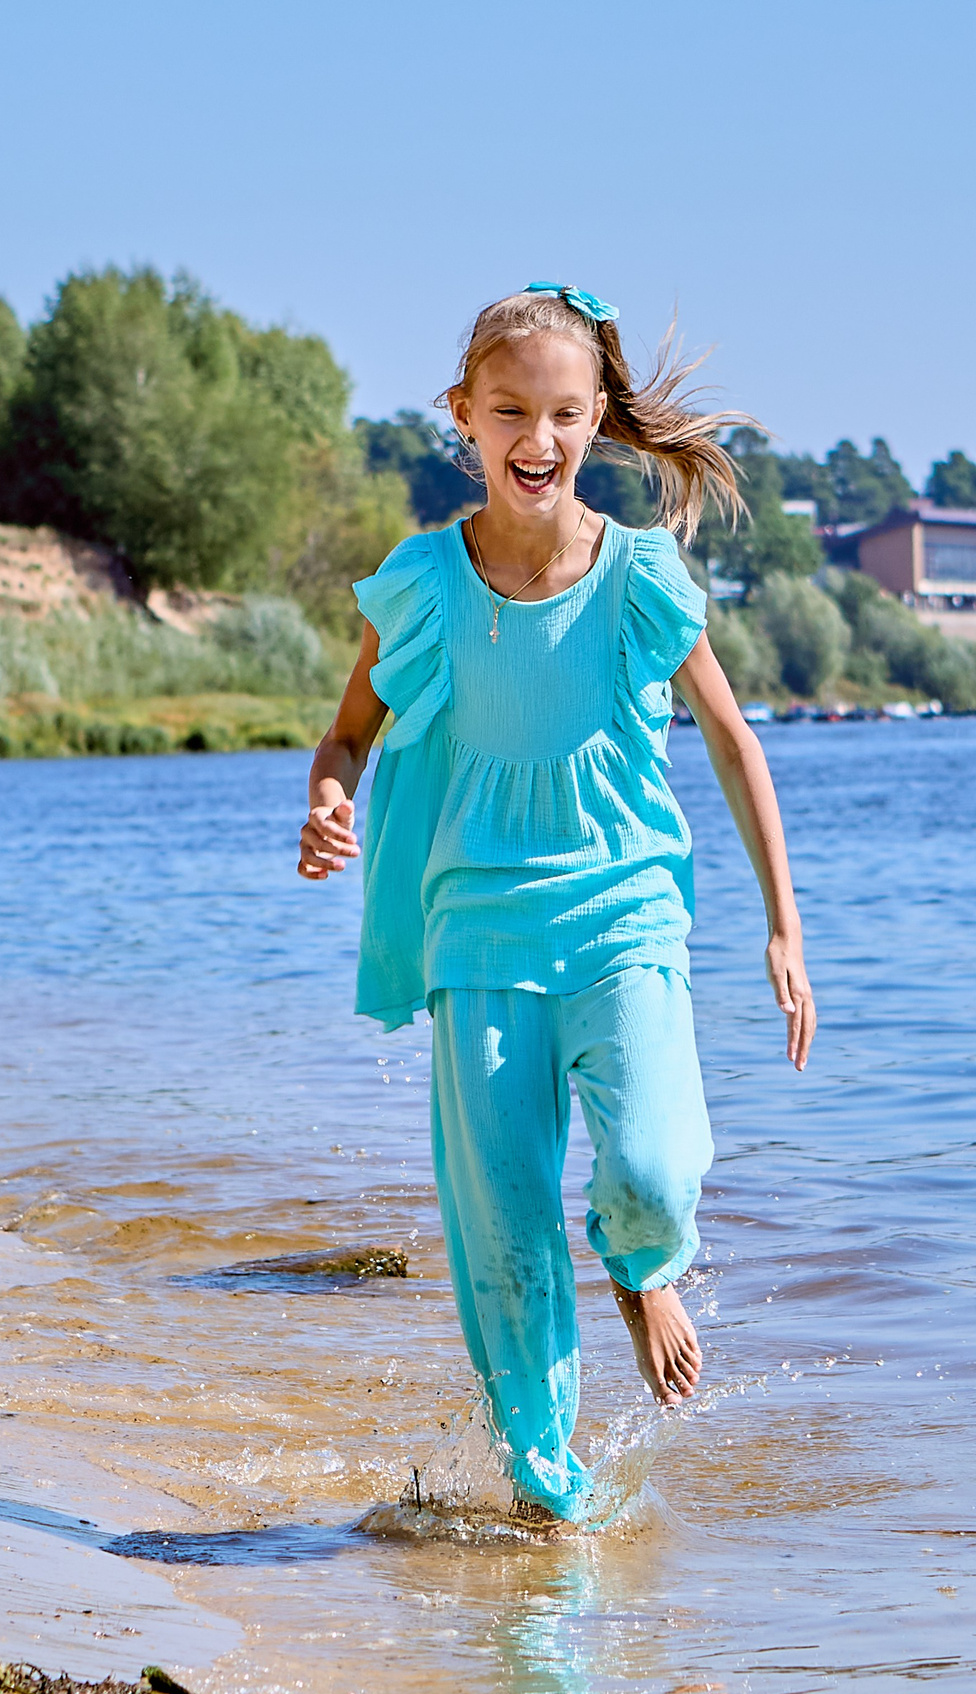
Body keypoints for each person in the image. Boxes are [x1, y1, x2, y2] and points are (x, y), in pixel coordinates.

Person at [294, 284, 815, 1522]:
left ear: (595, 422)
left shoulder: (637, 576)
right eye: (511, 410)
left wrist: (784, 926)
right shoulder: (424, 582)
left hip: (624, 911)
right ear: (464, 418)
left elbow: (736, 743)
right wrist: (328, 801)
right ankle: (544, 1470)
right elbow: (347, 735)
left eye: (565, 413)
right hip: (476, 926)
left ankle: (644, 1269)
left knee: (649, 1159)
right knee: (506, 1222)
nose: (539, 436)